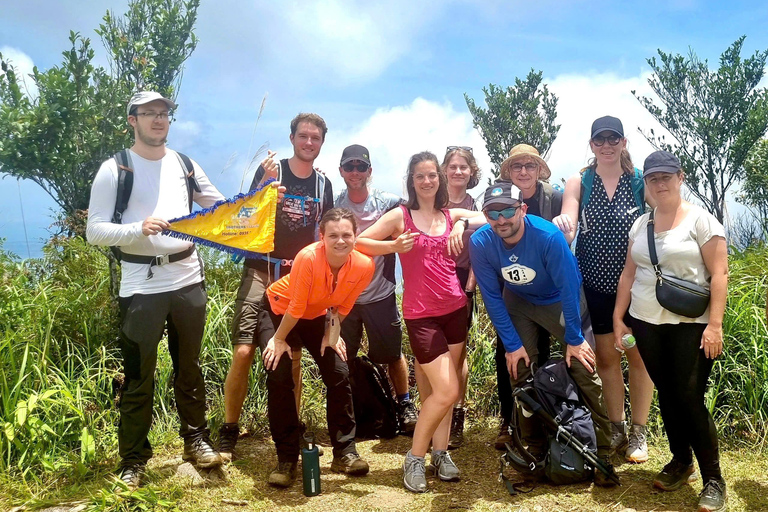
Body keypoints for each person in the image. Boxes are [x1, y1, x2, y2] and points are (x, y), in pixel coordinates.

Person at [86, 91, 226, 489]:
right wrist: (137, 227)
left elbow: (222, 208)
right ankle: (133, 459)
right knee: (138, 375)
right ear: (133, 120)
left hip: (187, 278)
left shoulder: (185, 165)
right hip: (140, 285)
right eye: (149, 113)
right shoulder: (115, 169)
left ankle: (196, 440)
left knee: (189, 367)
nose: (158, 120)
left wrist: (264, 193)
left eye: (164, 113)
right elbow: (94, 229)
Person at [468, 181, 619, 487]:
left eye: (508, 211)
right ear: (485, 216)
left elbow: (568, 286)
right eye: (492, 213)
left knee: (583, 367)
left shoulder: (548, 236)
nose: (501, 220)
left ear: (522, 209)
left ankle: (602, 451)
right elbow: (492, 297)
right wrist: (512, 345)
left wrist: (574, 339)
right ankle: (533, 448)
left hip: (559, 300)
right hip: (519, 301)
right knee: (519, 369)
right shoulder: (481, 242)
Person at [356, 151, 484, 493]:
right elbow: (359, 242)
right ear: (411, 182)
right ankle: (414, 457)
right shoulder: (400, 216)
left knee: (434, 391)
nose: (427, 181)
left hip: (456, 310)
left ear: (439, 179)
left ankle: (440, 454)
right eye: (420, 176)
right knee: (448, 390)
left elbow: (484, 216)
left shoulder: (449, 213)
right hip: (421, 314)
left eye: (432, 175)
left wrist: (460, 223)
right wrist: (393, 246)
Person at [614, 151, 728, 512]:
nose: (660, 184)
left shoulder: (701, 222)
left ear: (680, 178)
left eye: (666, 176)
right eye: (652, 178)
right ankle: (681, 461)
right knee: (667, 393)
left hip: (691, 325)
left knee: (690, 398)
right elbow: (629, 275)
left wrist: (715, 325)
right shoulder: (641, 225)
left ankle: (713, 478)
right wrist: (620, 318)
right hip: (646, 322)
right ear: (645, 184)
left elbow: (720, 274)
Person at [219, 113, 333, 461]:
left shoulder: (322, 185)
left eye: (315, 138)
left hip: (295, 278)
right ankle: (228, 429)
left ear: (321, 142)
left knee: (293, 356)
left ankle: (291, 428)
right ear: (292, 138)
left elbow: (325, 234)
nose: (309, 142)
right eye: (303, 136)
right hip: (260, 269)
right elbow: (245, 214)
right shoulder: (273, 170)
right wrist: (264, 187)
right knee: (244, 352)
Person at [552, 116, 654, 464]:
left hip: (636, 288)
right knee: (608, 359)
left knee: (638, 357)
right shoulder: (580, 181)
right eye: (600, 141)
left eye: (613, 140)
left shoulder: (640, 182)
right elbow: (569, 218)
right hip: (593, 284)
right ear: (592, 144)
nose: (607, 146)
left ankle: (639, 431)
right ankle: (617, 427)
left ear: (624, 142)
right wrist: (563, 226)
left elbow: (663, 217)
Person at [260, 208, 374, 486]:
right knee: (279, 372)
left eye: (347, 234)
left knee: (338, 371)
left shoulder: (363, 265)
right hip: (279, 311)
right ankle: (286, 458)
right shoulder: (308, 257)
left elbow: (343, 305)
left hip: (314, 317)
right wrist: (278, 339)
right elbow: (295, 306)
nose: (340, 241)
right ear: (321, 237)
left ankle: (344, 452)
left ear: (355, 236)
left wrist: (330, 334)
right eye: (333, 235)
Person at [334, 144, 419, 433]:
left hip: (380, 293)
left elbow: (419, 209)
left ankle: (405, 404)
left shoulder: (388, 202)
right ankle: (347, 414)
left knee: (392, 354)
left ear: (370, 171)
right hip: (343, 296)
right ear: (341, 171)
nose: (355, 172)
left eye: (361, 166)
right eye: (349, 166)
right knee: (340, 357)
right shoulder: (334, 205)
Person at [495, 143, 562, 450]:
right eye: (517, 166)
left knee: (544, 351)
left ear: (538, 170)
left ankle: (545, 417)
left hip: (548, 288)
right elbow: (475, 219)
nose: (523, 171)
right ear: (508, 171)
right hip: (510, 285)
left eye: (530, 166)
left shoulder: (553, 198)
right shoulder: (498, 197)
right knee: (508, 350)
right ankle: (509, 420)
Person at [442, 146, 481, 449]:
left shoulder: (477, 206)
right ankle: (435, 412)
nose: (457, 172)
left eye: (463, 167)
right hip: (431, 281)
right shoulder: (432, 201)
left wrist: (469, 287)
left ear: (471, 172)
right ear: (444, 169)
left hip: (462, 279)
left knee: (458, 352)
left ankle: (456, 414)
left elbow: (481, 248)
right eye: (452, 166)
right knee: (431, 351)